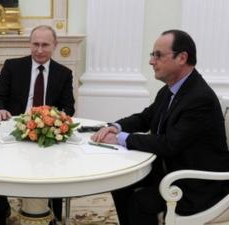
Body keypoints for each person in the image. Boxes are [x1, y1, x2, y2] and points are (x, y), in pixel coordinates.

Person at [91, 29, 229, 225]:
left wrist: (122, 139)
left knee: (140, 203)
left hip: (196, 184)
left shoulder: (200, 98)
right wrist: (116, 127)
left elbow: (169, 143)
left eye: (158, 55)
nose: (151, 61)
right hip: (171, 169)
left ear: (182, 58)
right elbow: (145, 117)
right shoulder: (171, 89)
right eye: (152, 54)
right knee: (121, 184)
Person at [0, 25, 75, 225]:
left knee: (56, 166)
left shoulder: (64, 73)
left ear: (55, 45)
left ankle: (54, 213)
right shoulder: (12, 66)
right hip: (14, 128)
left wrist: (56, 118)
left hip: (48, 129)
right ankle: (2, 213)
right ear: (29, 44)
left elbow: (69, 107)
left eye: (45, 45)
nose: (39, 50)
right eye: (35, 44)